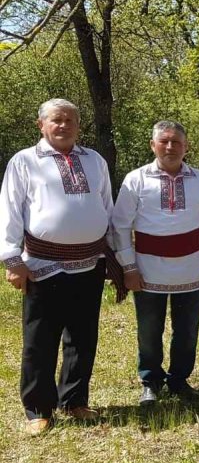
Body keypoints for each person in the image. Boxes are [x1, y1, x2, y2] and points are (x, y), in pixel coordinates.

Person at [0, 99, 119, 434]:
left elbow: (107, 207)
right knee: (40, 339)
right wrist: (12, 259)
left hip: (89, 264)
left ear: (78, 125)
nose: (64, 125)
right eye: (56, 120)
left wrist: (112, 256)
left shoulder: (94, 160)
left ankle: (75, 401)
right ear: (42, 125)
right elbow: (10, 211)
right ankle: (38, 409)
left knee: (82, 337)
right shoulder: (25, 161)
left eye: (70, 120)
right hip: (42, 264)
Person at [111, 120, 199, 405]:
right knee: (149, 329)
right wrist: (129, 267)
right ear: (153, 145)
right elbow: (120, 226)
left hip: (189, 265)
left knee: (187, 329)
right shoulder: (136, 179)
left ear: (186, 147)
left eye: (176, 142)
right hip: (147, 267)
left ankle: (179, 379)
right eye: (164, 141)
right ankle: (150, 380)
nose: (170, 147)